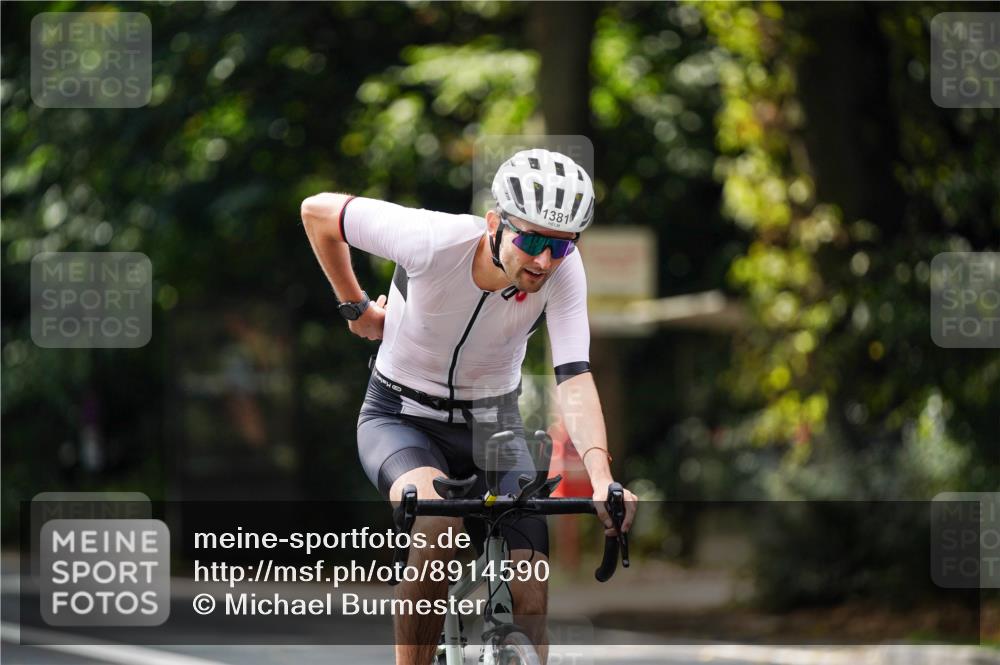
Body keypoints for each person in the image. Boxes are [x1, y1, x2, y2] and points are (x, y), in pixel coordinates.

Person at [300, 148, 638, 665]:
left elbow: (573, 374)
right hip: (401, 418)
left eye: (561, 246)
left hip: (493, 426)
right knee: (438, 529)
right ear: (495, 224)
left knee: (530, 594)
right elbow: (317, 211)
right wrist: (356, 307)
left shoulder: (565, 274)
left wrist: (599, 478)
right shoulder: (432, 240)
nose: (545, 261)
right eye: (530, 240)